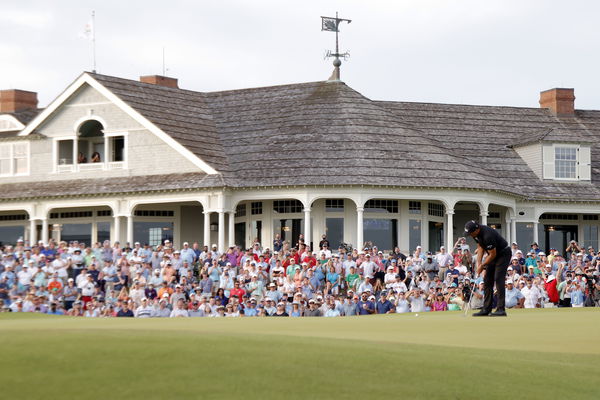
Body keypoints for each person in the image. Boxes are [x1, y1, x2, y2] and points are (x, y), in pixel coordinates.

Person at [465, 221, 511, 317]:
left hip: (503, 254)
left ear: (476, 230)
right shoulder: (475, 234)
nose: (470, 235)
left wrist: (482, 266)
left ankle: (501, 309)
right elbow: (480, 247)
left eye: (470, 233)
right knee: (487, 280)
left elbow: (493, 254)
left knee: (498, 279)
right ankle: (486, 309)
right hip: (492, 254)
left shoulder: (487, 235)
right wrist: (479, 264)